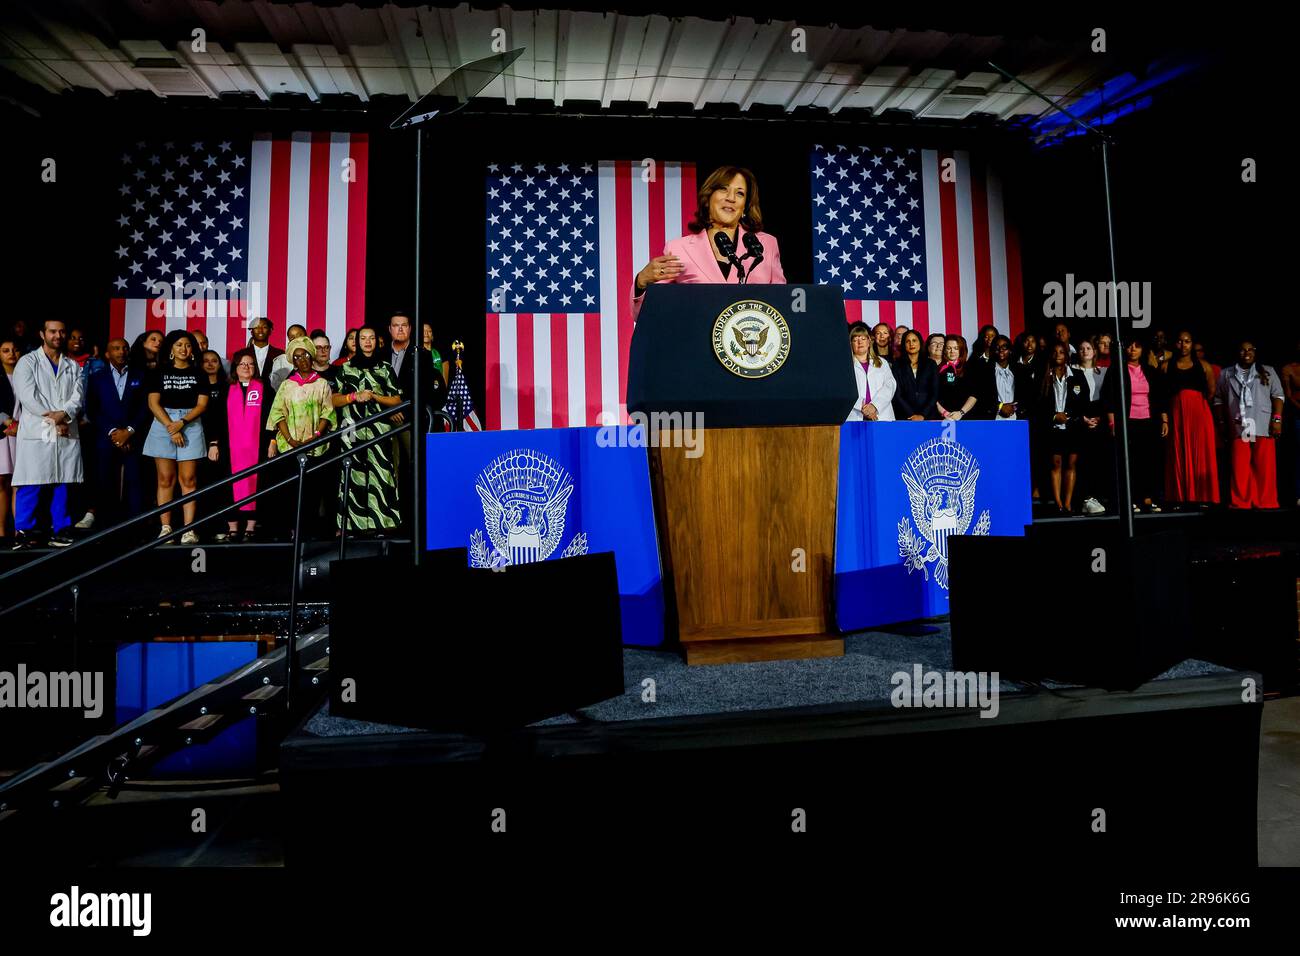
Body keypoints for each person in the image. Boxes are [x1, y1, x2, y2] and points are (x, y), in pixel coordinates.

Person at [631, 165, 786, 320]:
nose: (731, 198)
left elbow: (782, 305)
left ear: (745, 206)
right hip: (697, 340)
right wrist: (641, 281)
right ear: (708, 198)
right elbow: (646, 314)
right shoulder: (679, 249)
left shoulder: (766, 245)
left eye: (740, 193)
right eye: (723, 189)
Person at [10, 319, 84, 549]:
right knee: (31, 481)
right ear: (43, 334)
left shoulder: (72, 365)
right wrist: (54, 417)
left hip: (64, 429)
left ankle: (60, 530)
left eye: (62, 332)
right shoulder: (27, 362)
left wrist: (65, 414)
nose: (58, 336)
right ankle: (23, 531)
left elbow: (78, 396)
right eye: (53, 331)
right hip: (39, 430)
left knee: (62, 481)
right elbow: (27, 396)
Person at [333, 326, 403, 535]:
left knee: (380, 474)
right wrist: (354, 397)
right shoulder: (345, 369)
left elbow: (397, 400)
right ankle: (351, 526)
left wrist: (374, 396)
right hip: (351, 429)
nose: (367, 342)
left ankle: (381, 523)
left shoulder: (385, 368)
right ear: (356, 341)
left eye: (371, 338)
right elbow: (334, 400)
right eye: (362, 338)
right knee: (351, 474)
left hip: (379, 430)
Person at [143, 331, 208, 544]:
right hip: (164, 423)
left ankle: (189, 529)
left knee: (188, 480)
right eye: (179, 344)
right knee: (165, 479)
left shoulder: (199, 373)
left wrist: (182, 423)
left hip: (189, 423)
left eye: (188, 345)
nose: (183, 349)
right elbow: (153, 403)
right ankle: (166, 528)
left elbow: (202, 404)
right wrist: (171, 426)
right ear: (171, 348)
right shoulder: (158, 372)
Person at [83, 337, 152, 528]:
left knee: (136, 481)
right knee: (104, 479)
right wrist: (114, 432)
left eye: (124, 348)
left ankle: (136, 525)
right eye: (116, 348)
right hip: (107, 438)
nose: (121, 352)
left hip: (134, 437)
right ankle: (105, 525)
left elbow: (145, 408)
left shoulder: (141, 375)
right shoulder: (98, 377)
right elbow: (92, 409)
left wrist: (129, 431)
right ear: (107, 354)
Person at [1214, 341, 1285, 510]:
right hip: (1241, 424)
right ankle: (1241, 501)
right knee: (1240, 465)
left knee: (1264, 465)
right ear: (1237, 352)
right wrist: (1222, 422)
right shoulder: (1226, 374)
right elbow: (1218, 400)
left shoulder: (1267, 371)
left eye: (1250, 349)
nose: (1246, 353)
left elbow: (1278, 396)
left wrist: (1276, 420)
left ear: (1255, 352)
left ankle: (1265, 501)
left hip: (1261, 421)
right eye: (1242, 350)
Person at [215, 352, 275, 542]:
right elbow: (215, 419)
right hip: (229, 449)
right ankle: (232, 527)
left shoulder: (265, 389)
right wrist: (214, 443)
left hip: (257, 448)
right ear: (235, 367)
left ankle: (250, 526)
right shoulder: (225, 389)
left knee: (256, 484)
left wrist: (272, 442)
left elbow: (273, 417)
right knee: (228, 485)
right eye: (242, 364)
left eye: (250, 364)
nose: (246, 367)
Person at [1103, 336, 1167, 513]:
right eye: (1129, 346)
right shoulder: (1116, 370)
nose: (1132, 349)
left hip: (1148, 421)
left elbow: (1159, 397)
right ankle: (1131, 499)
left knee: (1148, 461)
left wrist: (1164, 419)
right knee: (1130, 462)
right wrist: (1112, 422)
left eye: (1137, 346)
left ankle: (1148, 497)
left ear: (1142, 350)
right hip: (1127, 422)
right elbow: (1108, 398)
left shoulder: (1150, 370)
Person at [1161, 330, 1219, 507]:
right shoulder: (1165, 366)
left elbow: (1211, 392)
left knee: (1201, 453)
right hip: (1176, 414)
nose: (1183, 344)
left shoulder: (1204, 366)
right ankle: (1179, 497)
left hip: (1199, 415)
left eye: (1187, 341)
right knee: (1178, 452)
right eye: (1180, 341)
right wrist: (1165, 419)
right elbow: (1161, 396)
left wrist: (1195, 404)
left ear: (1192, 344)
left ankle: (1202, 496)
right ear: (1175, 344)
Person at [1038, 343, 1091, 514]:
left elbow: (1084, 402)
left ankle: (1068, 502)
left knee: (1071, 463)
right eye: (1055, 351)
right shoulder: (1043, 376)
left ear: (1067, 355)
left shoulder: (1078, 375)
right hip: (1052, 427)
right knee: (1056, 463)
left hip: (1073, 427)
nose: (1058, 354)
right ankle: (1058, 503)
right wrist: (1054, 416)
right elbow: (1037, 404)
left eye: (1062, 352)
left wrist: (1074, 417)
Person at [1072, 338, 1109, 514]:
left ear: (1094, 351)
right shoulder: (1072, 372)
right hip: (1082, 418)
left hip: (1099, 418)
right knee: (1083, 460)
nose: (1085, 351)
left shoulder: (1104, 371)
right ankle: (1084, 498)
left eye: (1088, 348)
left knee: (1099, 459)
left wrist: (1101, 418)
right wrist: (1083, 418)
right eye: (1081, 348)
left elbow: (1107, 397)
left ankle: (1098, 495)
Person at [847, 322, 896, 422]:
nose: (859, 342)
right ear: (851, 344)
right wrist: (863, 407)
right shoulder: (846, 366)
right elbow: (845, 388)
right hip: (855, 415)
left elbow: (890, 385)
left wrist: (874, 406)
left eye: (863, 339)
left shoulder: (882, 362)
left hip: (881, 414)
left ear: (869, 341)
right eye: (855, 340)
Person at [891, 329, 939, 421]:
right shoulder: (897, 365)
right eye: (907, 341)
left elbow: (935, 393)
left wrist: (922, 415)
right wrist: (912, 415)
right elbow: (897, 394)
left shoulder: (931, 364)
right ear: (904, 345)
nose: (911, 344)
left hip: (928, 415)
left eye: (914, 340)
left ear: (920, 343)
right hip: (905, 416)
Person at [0, 337, 21, 539]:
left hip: (23, 433)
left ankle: (19, 530)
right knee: (1, 481)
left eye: (15, 350)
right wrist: (6, 422)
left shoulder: (26, 375)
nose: (11, 354)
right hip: (3, 433)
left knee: (20, 481)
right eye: (6, 350)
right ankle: (1, 531)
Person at [936, 335, 978, 421]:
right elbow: (932, 396)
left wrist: (961, 413)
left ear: (961, 350)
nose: (952, 351)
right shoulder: (937, 369)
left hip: (965, 417)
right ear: (944, 350)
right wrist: (944, 413)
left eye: (956, 348)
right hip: (942, 417)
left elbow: (974, 395)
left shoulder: (970, 368)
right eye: (948, 348)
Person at [1282, 340, 1300, 507]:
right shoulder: (1289, 369)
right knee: (1298, 455)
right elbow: (1288, 395)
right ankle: (1298, 494)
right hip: (1298, 416)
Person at [422, 321, 451, 385]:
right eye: (423, 331)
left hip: (439, 387)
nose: (426, 333)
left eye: (429, 331)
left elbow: (445, 381)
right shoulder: (417, 353)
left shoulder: (440, 352)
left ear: (432, 335)